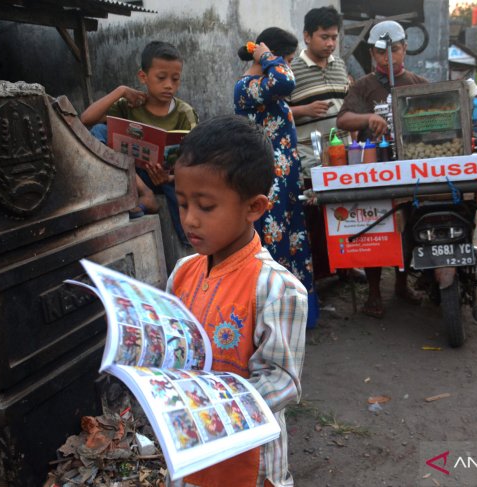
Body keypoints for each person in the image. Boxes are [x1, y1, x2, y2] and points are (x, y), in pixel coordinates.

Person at [167, 115, 307, 487]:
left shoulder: (277, 288)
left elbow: (282, 381)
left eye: (206, 207)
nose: (190, 220)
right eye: (182, 204)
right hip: (190, 451)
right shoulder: (182, 272)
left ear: (255, 208)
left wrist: (211, 407)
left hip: (248, 462)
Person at [336, 20, 425, 319]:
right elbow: (343, 120)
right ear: (372, 54)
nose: (388, 58)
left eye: (395, 51)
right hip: (375, 170)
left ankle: (401, 283)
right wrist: (367, 119)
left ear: (405, 49)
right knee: (376, 228)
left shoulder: (418, 83)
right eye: (380, 53)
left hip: (411, 169)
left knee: (408, 228)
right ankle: (374, 292)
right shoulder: (362, 87)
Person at [234, 27, 319, 328]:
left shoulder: (265, 83)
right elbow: (286, 79)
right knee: (276, 244)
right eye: (289, 59)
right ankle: (277, 320)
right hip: (269, 179)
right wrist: (266, 55)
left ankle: (300, 315)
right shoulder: (247, 86)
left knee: (294, 241)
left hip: (286, 178)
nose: (289, 66)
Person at [80, 40, 199, 245]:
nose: (169, 85)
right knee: (99, 130)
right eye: (161, 78)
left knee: (185, 180)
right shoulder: (130, 104)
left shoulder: (184, 113)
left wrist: (169, 177)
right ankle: (145, 195)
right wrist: (120, 91)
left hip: (169, 179)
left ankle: (188, 243)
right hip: (134, 177)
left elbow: (196, 159)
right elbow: (86, 120)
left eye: (175, 79)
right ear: (143, 77)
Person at [286, 5, 358, 282]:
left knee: (346, 213)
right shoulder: (291, 70)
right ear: (307, 36)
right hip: (308, 158)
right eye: (324, 37)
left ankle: (346, 267)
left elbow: (348, 104)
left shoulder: (340, 66)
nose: (330, 43)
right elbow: (274, 114)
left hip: (343, 156)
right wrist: (303, 111)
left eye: (334, 38)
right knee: (315, 219)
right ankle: (320, 274)